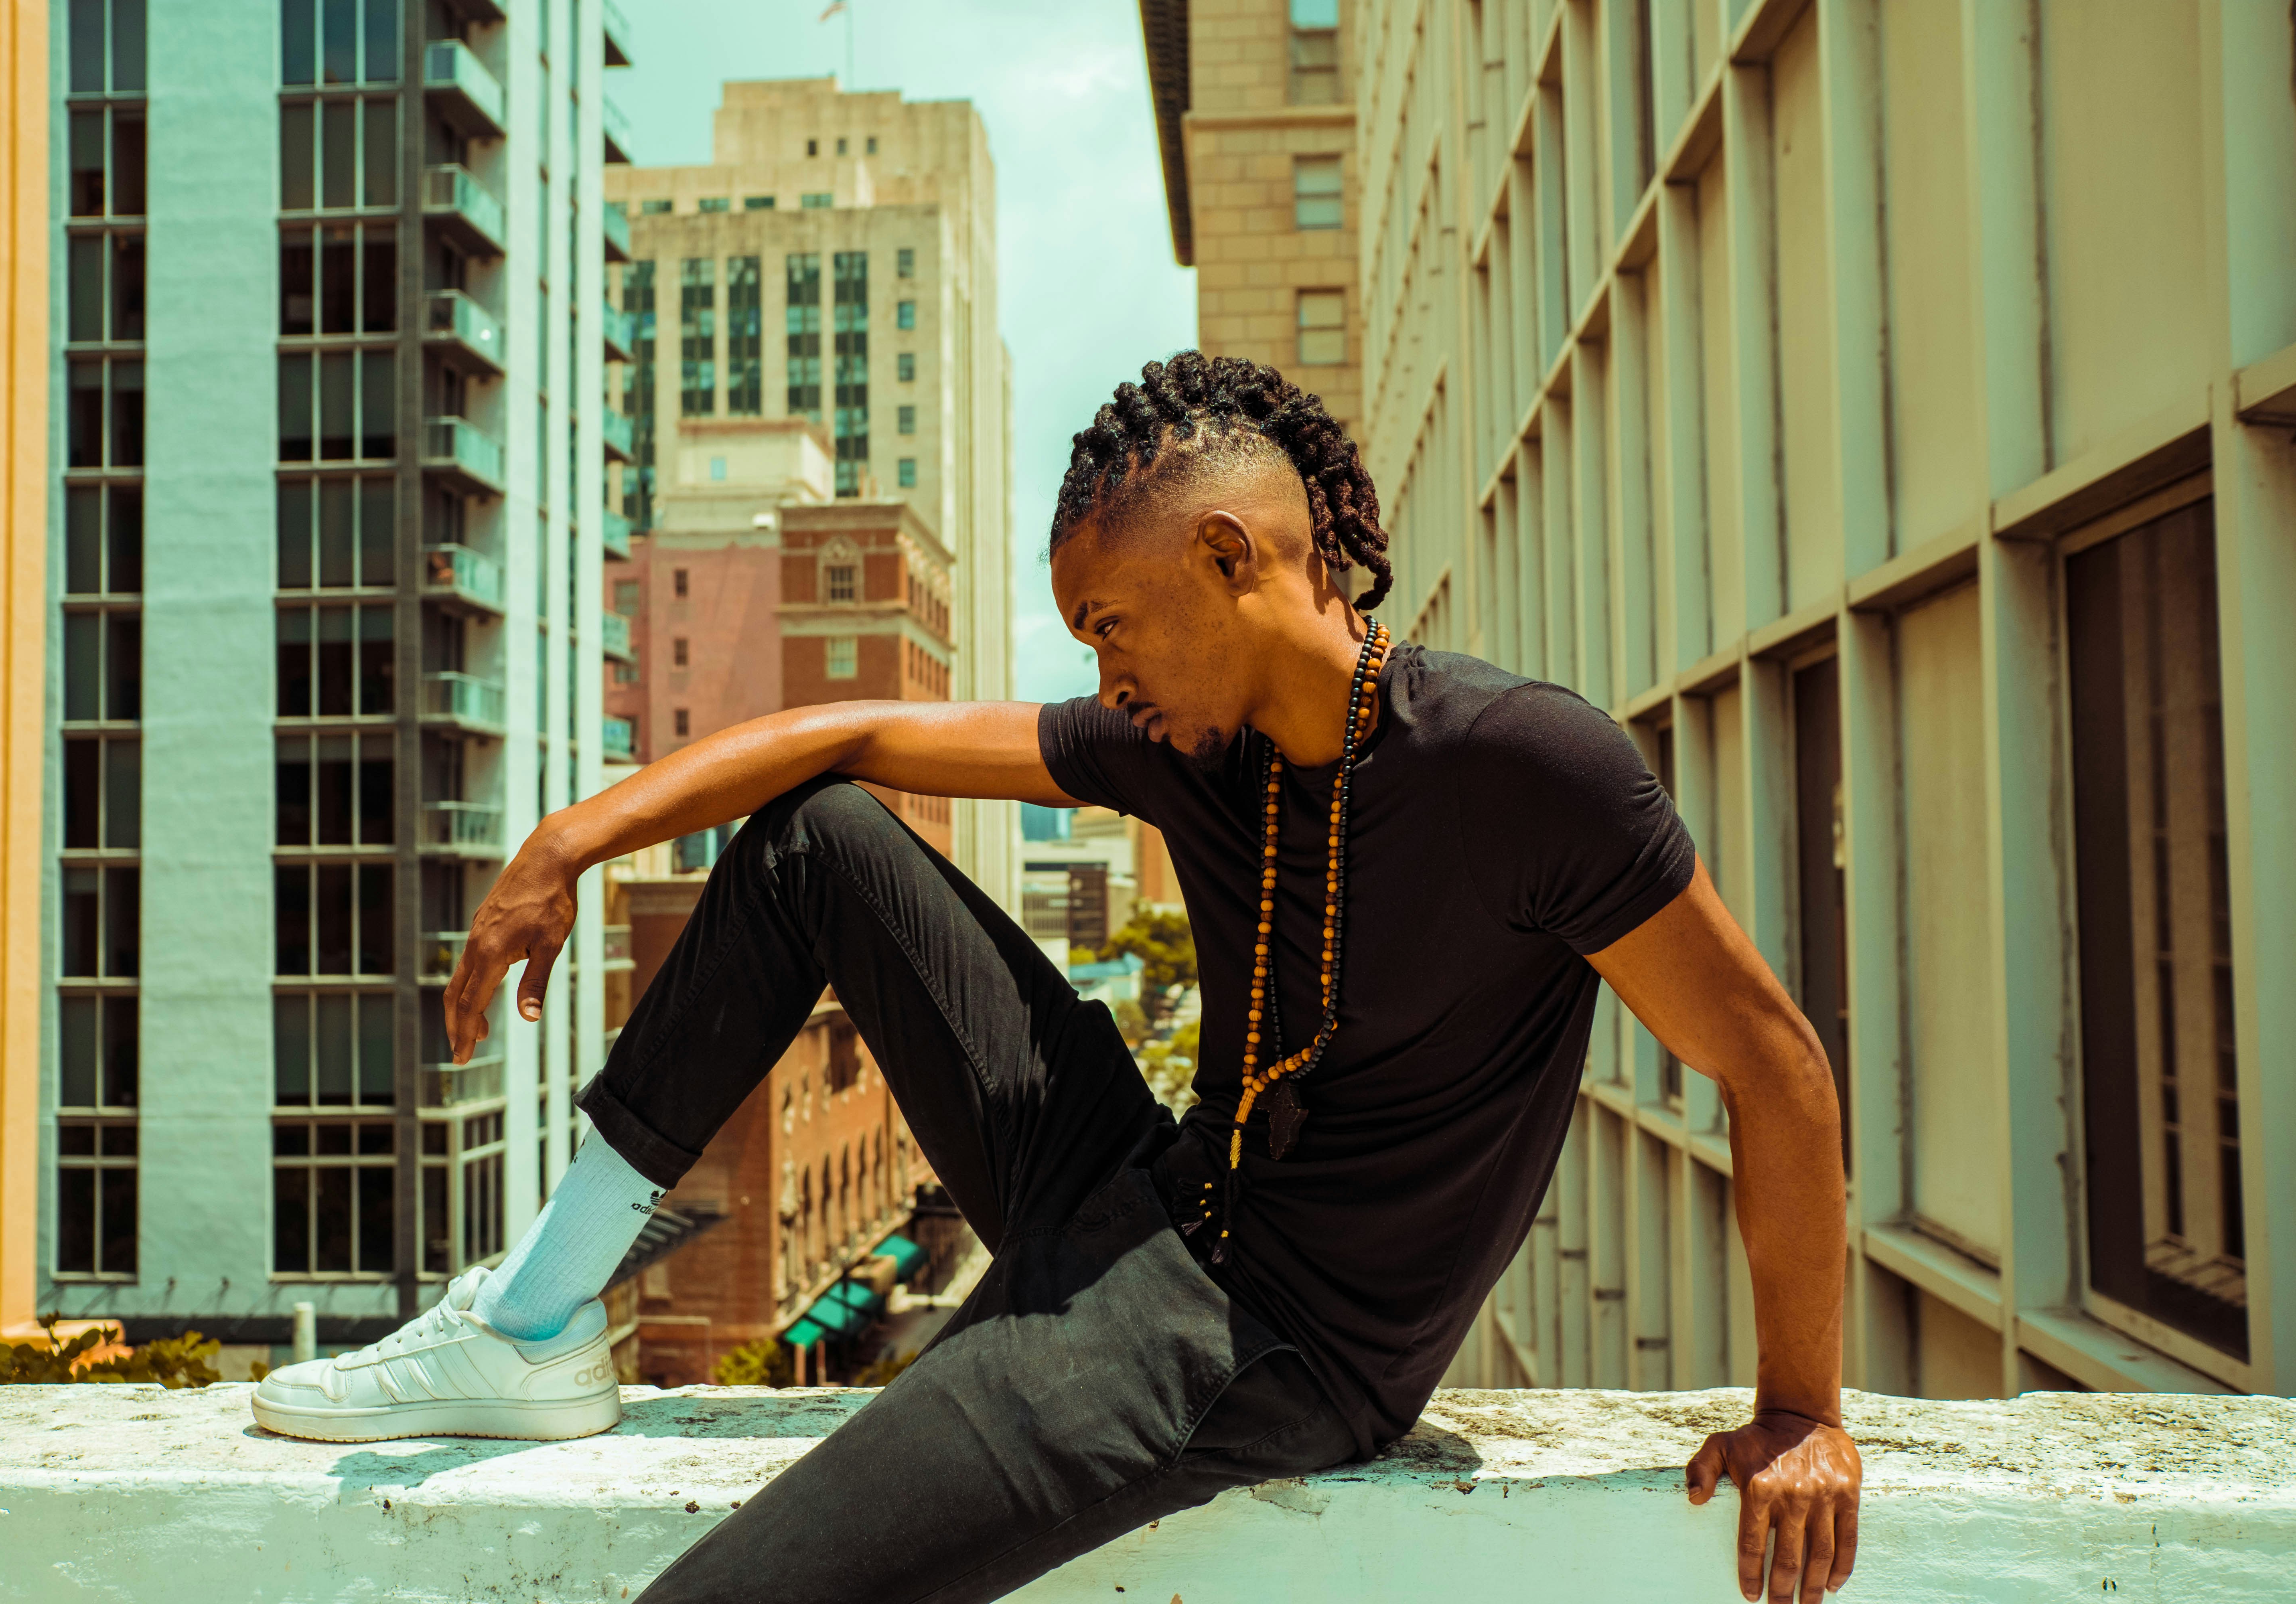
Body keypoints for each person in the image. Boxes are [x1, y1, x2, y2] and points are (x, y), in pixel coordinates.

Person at [253, 352, 1862, 1604]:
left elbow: (1773, 1062)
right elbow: (853, 734)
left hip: (1262, 1342)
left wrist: (1802, 1410)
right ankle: (535, 1322)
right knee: (819, 838)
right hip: (1143, 1188)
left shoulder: (1528, 768)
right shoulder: (1199, 747)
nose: (1105, 676)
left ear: (1229, 555)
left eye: (1112, 625)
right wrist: (573, 838)